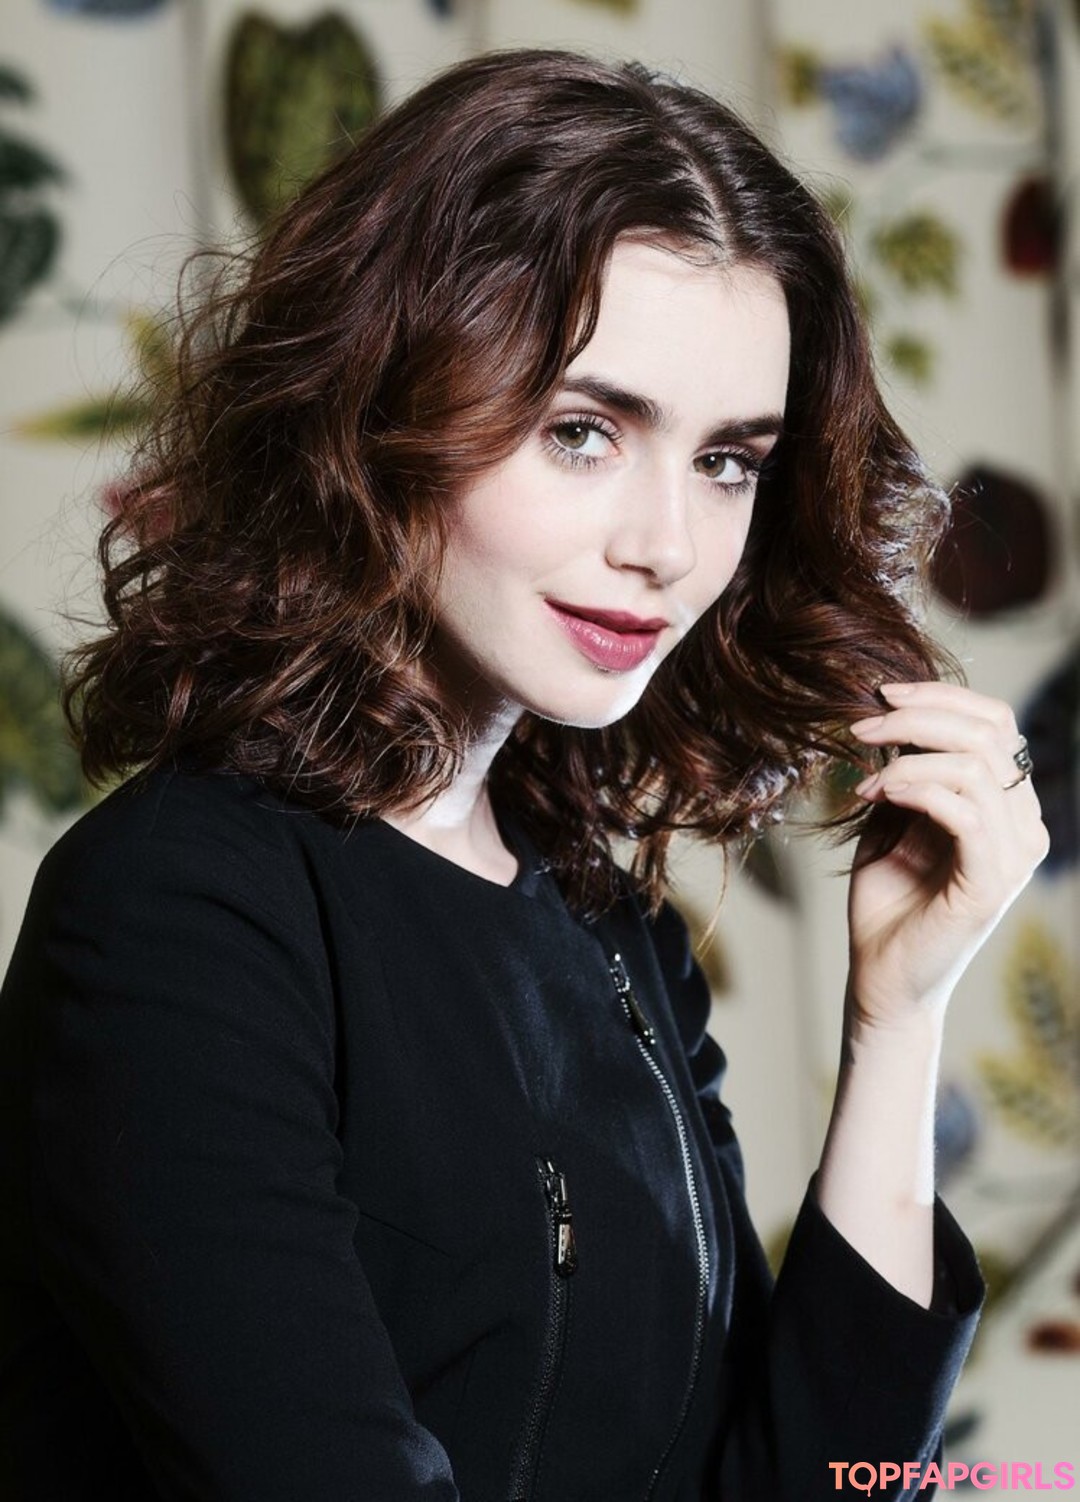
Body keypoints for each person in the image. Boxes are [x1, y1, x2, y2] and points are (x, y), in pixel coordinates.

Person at [0, 47, 1048, 1502]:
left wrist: (899, 1017)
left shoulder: (613, 937)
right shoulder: (176, 915)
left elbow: (812, 1482)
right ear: (385, 405)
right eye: (582, 431)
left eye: (729, 461)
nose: (665, 546)